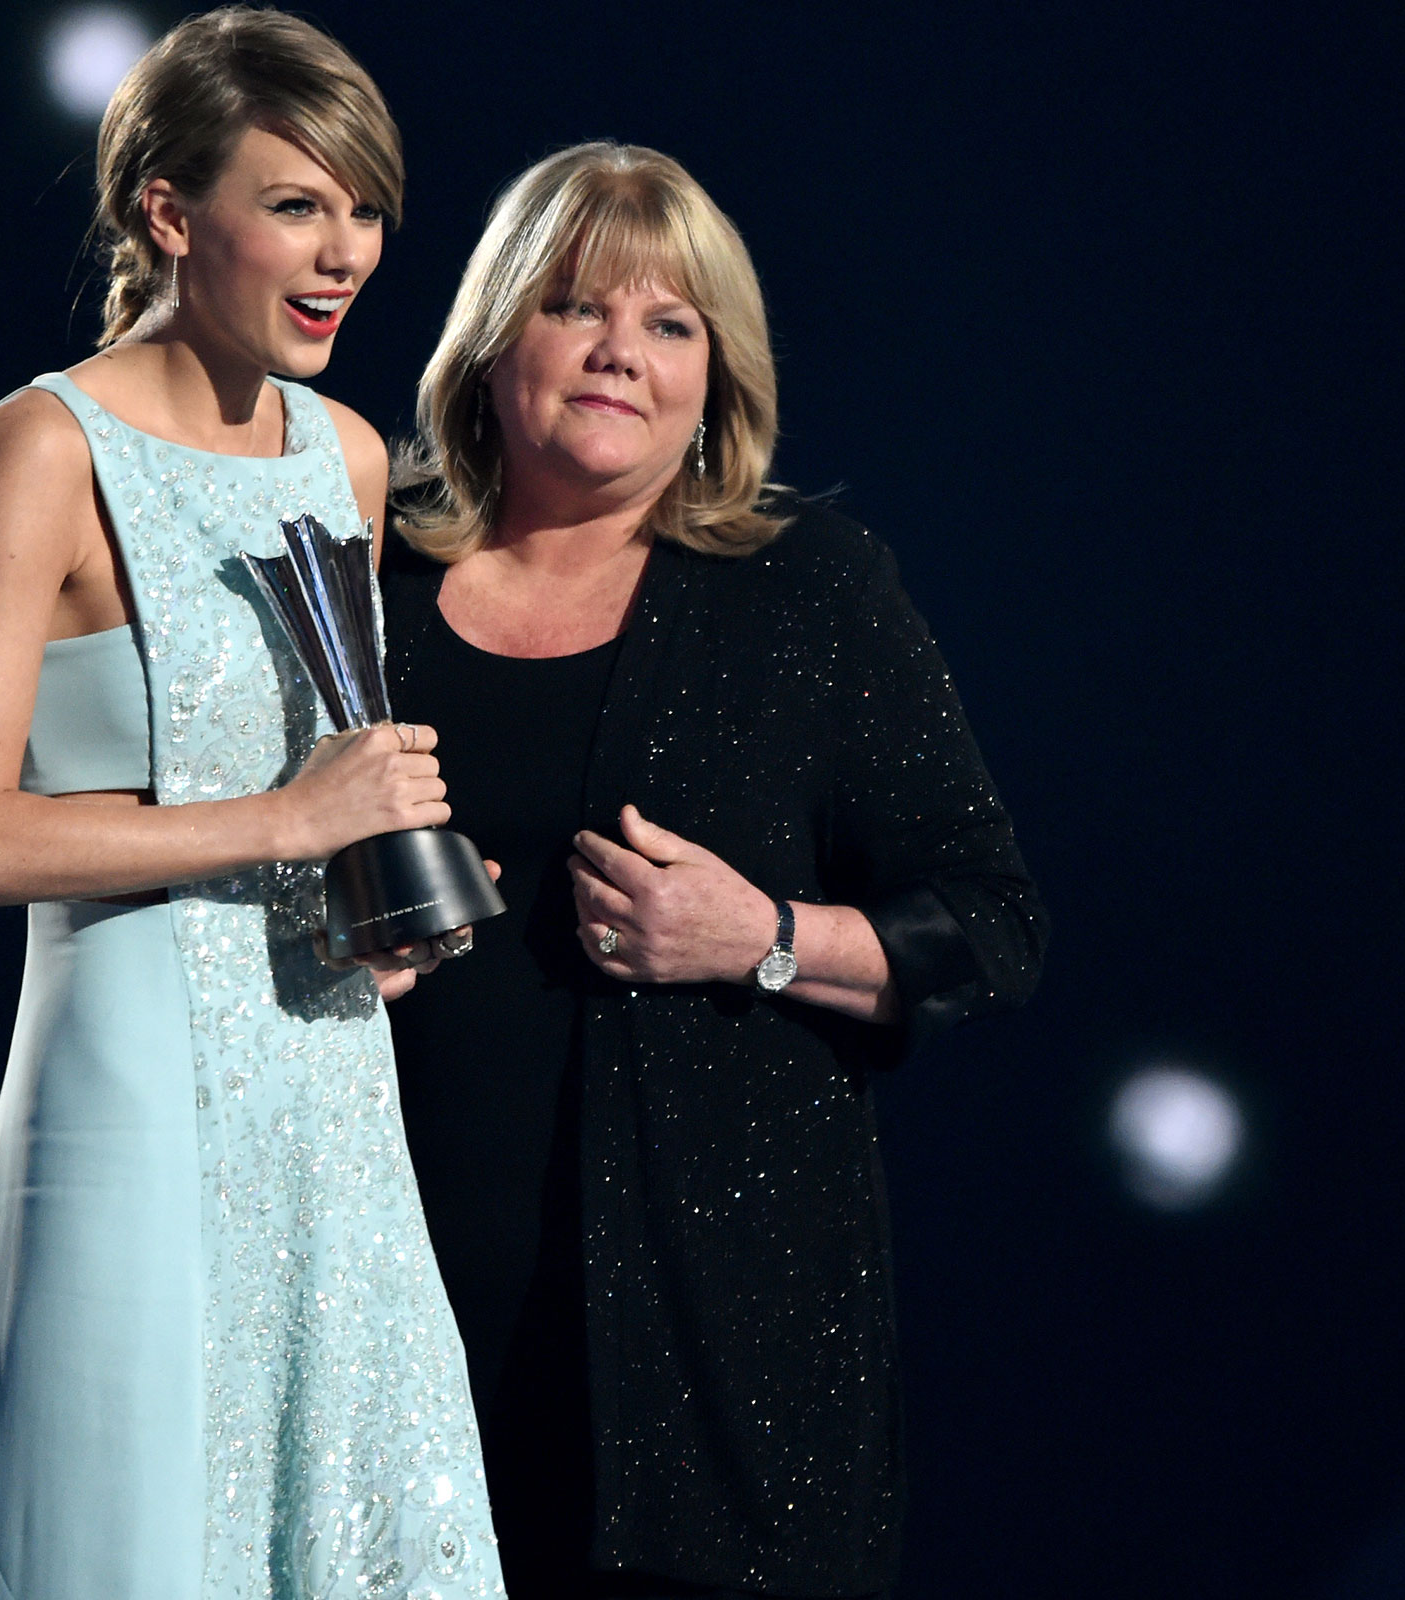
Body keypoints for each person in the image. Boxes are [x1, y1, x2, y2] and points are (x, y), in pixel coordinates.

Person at [377, 143, 1049, 1600]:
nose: (621, 353)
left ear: (715, 377)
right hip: (394, 1339)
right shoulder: (372, 586)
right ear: (496, 344)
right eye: (576, 308)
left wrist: (763, 934)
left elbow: (993, 926)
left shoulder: (806, 588)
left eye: (669, 324)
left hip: (716, 1375)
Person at [0, 10, 502, 1597]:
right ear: (170, 214)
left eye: (364, 208)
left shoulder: (350, 458)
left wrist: (373, 904)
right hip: (126, 1089)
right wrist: (287, 824)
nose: (347, 252)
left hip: (330, 1085)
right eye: (298, 204)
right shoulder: (44, 445)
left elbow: (324, 784)